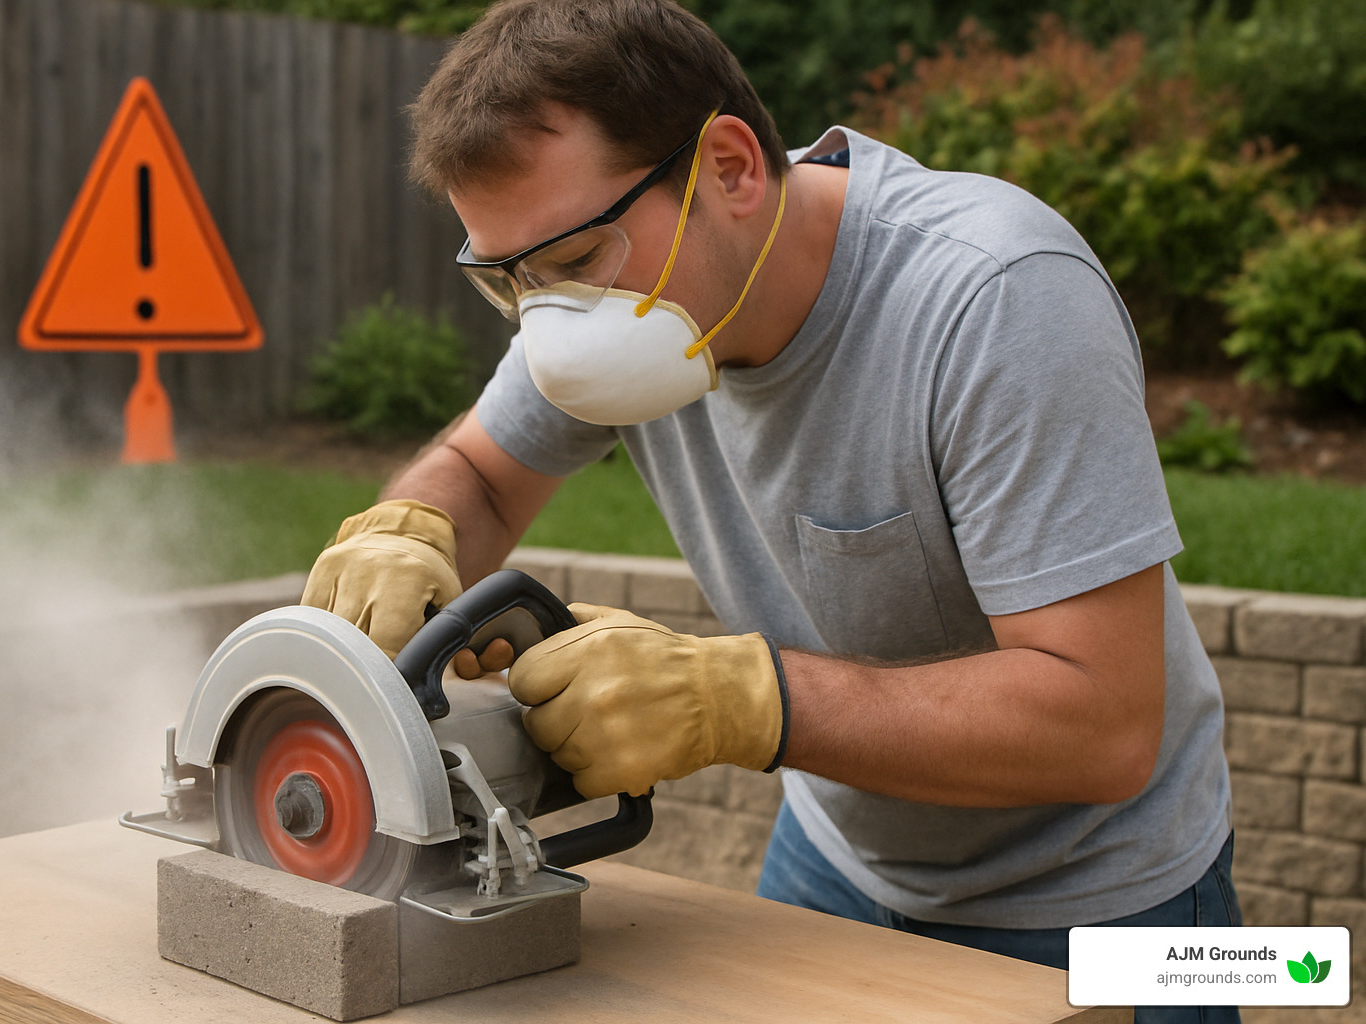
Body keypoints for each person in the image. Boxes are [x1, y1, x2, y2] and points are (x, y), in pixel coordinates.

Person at [301, 1, 1239, 1019]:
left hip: (1104, 904)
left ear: (732, 169)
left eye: (573, 264)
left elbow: (1102, 725)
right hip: (835, 861)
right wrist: (413, 526)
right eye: (510, 278)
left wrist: (742, 699)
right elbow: (479, 474)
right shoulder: (626, 300)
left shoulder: (997, 299)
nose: (549, 318)